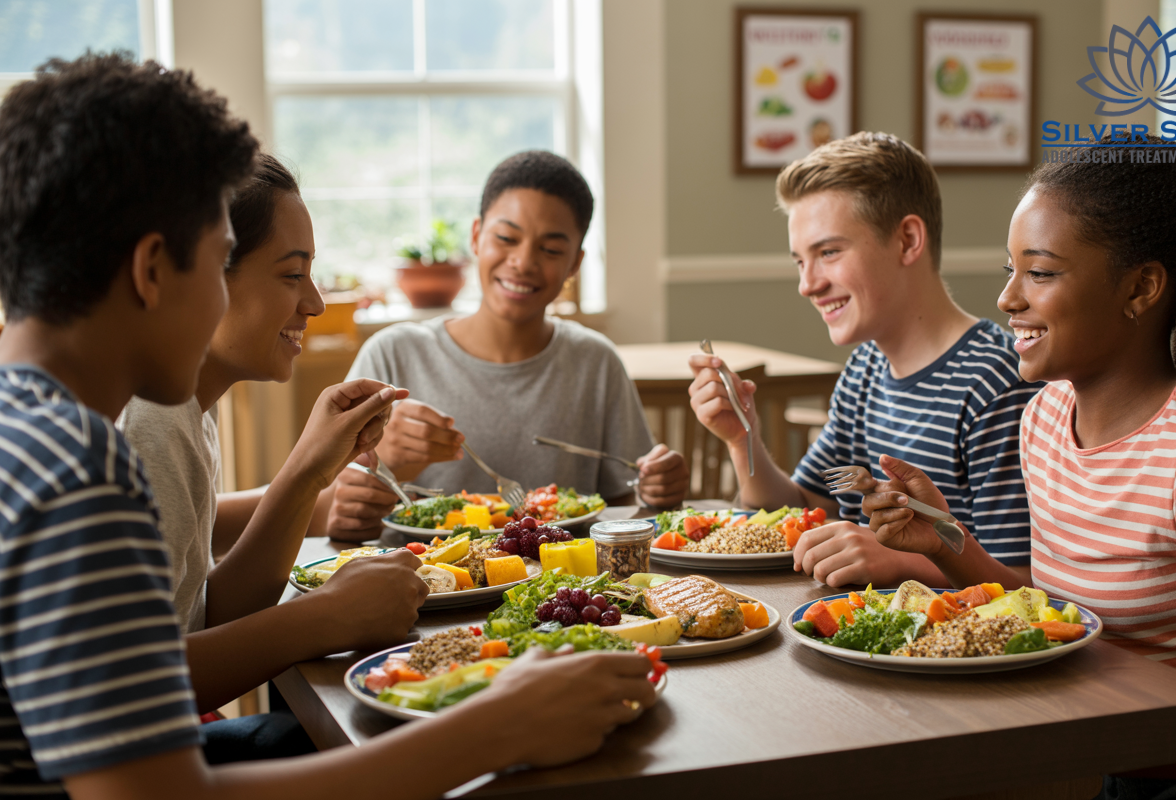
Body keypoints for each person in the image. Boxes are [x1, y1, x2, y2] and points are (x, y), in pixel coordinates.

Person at [0, 53, 654, 800]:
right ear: (152, 270)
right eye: (220, 264)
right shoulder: (80, 465)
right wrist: (497, 726)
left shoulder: (30, 433)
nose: (311, 303)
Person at [855, 136, 1176, 795]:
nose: (1007, 299)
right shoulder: (1045, 420)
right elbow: (1058, 611)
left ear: (1141, 288)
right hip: (1096, 748)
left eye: (1042, 273)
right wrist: (943, 538)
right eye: (1009, 269)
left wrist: (1104, 754)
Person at [115, 154, 428, 758]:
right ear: (201, 276)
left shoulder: (185, 411)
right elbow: (136, 690)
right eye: (292, 275)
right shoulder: (148, 422)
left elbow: (207, 614)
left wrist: (309, 472)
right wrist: (329, 617)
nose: (313, 302)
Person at [687, 132, 1040, 588]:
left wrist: (901, 561)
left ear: (908, 240)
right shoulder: (865, 368)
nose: (807, 284)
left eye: (829, 252)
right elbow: (800, 511)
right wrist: (743, 438)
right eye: (800, 261)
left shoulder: (997, 383)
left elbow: (1023, 582)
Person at [326, 150, 690, 542]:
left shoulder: (596, 361)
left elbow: (620, 508)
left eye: (550, 250)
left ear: (575, 264)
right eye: (506, 238)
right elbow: (332, 504)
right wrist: (362, 493)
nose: (523, 262)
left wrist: (656, 492)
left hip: (556, 592)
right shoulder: (393, 354)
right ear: (476, 236)